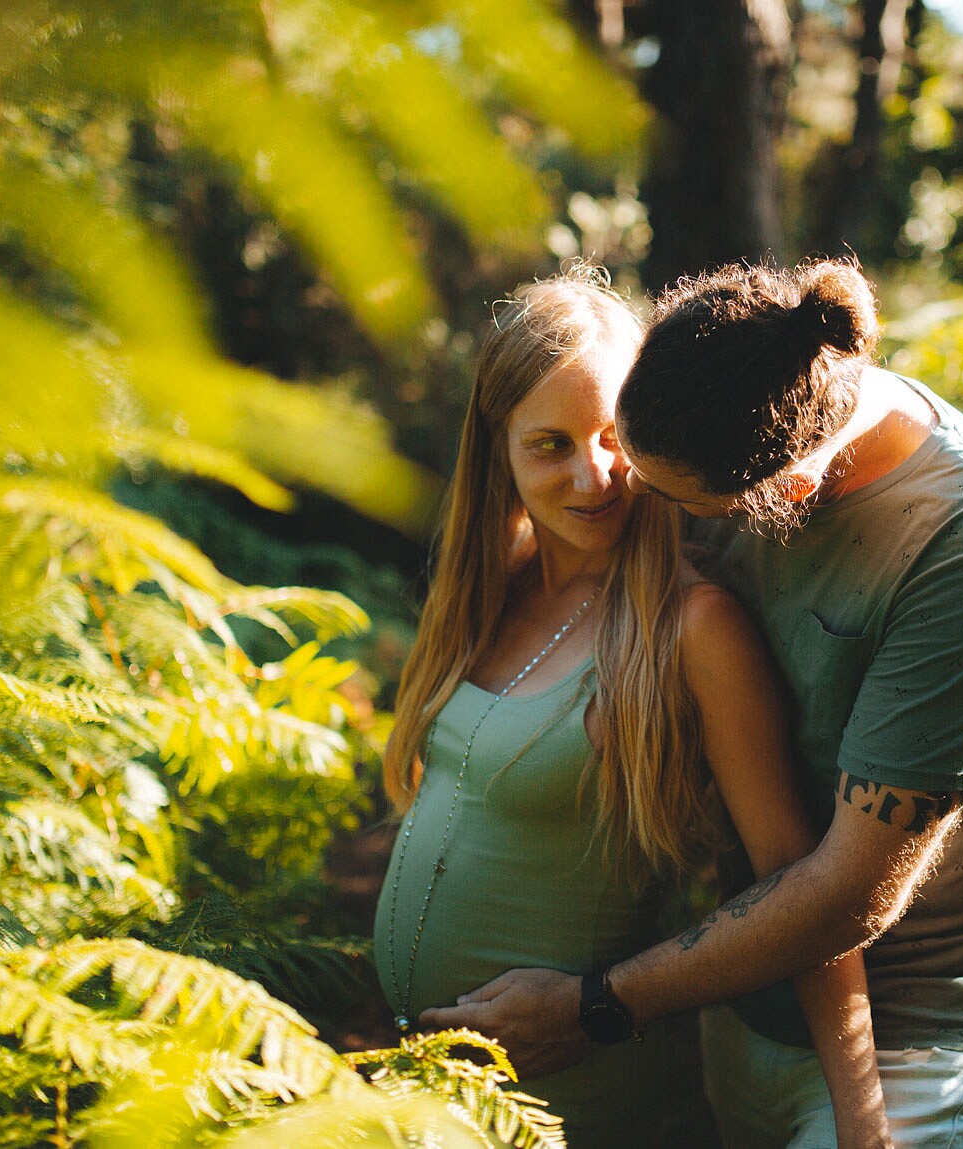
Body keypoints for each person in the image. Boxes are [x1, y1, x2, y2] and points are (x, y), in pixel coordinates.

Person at [422, 259, 963, 1149]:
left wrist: (598, 1006)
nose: (623, 495)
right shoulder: (751, 377)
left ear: (784, 498)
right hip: (737, 989)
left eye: (678, 503)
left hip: (907, 1027)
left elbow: (848, 891)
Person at [373, 270, 889, 1147]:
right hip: (423, 1088)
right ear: (495, 448)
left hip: (568, 1089)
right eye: (550, 445)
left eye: (615, 436)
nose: (595, 475)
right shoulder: (485, 592)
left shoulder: (693, 627)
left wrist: (861, 1118)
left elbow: (796, 884)